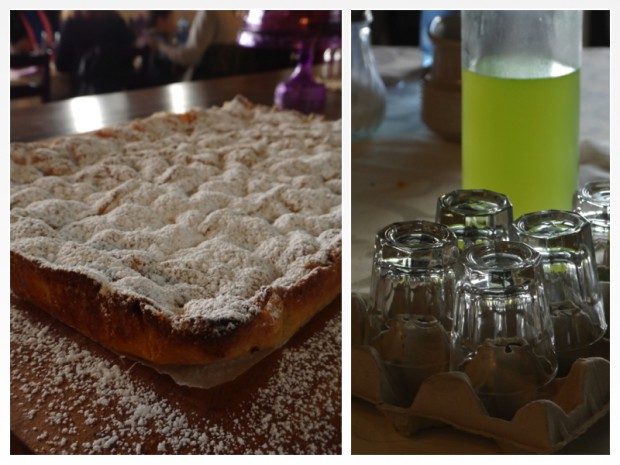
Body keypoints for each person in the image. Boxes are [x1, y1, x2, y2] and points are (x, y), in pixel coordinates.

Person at [55, 11, 136, 96]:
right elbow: (129, 58)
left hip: (83, 93)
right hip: (118, 91)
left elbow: (61, 65)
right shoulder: (116, 21)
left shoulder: (71, 23)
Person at [152, 11, 250, 81]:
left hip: (204, 85)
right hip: (228, 82)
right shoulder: (234, 14)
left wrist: (160, 47)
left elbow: (190, 57)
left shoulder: (209, 12)